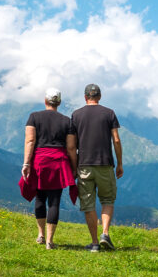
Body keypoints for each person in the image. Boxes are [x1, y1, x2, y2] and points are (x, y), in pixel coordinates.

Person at [21, 88, 77, 249]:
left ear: (45, 100)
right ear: (59, 103)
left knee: (40, 198)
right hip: (59, 163)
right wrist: (74, 168)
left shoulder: (34, 117)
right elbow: (71, 147)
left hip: (39, 161)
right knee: (54, 201)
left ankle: (40, 234)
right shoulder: (67, 121)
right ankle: (50, 241)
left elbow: (30, 141)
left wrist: (26, 163)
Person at [71, 83, 122, 252]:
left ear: (85, 97)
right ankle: (105, 234)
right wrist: (119, 163)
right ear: (99, 97)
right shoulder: (109, 113)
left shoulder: (76, 115)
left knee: (88, 204)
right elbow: (116, 140)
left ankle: (94, 244)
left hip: (84, 165)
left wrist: (73, 167)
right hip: (105, 164)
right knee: (107, 200)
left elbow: (71, 146)